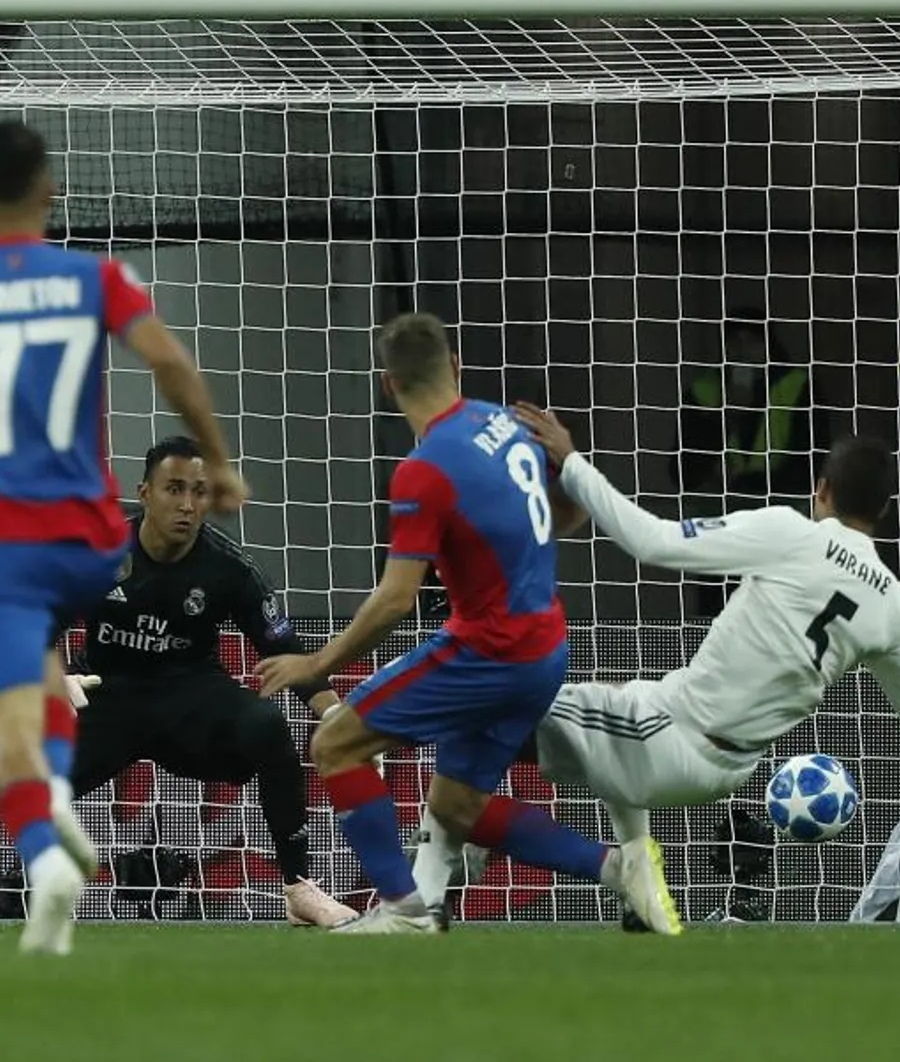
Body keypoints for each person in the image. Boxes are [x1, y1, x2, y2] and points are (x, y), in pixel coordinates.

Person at [411, 416, 900, 925]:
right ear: (884, 509)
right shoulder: (897, 610)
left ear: (820, 490)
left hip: (671, 739)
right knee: (611, 703)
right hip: (721, 762)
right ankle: (634, 867)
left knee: (486, 700)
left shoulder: (789, 533)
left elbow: (655, 543)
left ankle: (424, 897)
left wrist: (572, 464)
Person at [0, 119, 244, 956]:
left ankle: (47, 851)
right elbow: (172, 365)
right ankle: (52, 794)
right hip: (91, 543)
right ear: (50, 194)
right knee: (41, 674)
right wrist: (220, 465)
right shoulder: (95, 277)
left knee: (8, 732)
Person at [255, 312, 679, 935]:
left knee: (335, 744)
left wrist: (315, 664)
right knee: (455, 805)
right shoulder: (505, 423)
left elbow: (398, 598)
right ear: (456, 367)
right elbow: (568, 516)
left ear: (387, 386)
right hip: (544, 648)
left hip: (490, 650)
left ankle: (404, 913)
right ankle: (620, 868)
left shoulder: (423, 469)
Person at [0, 436, 356, 926]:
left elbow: (286, 652)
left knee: (269, 728)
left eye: (198, 492)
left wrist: (335, 714)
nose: (188, 505)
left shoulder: (229, 569)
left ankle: (299, 888)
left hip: (191, 701)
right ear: (145, 493)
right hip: (103, 699)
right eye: (174, 489)